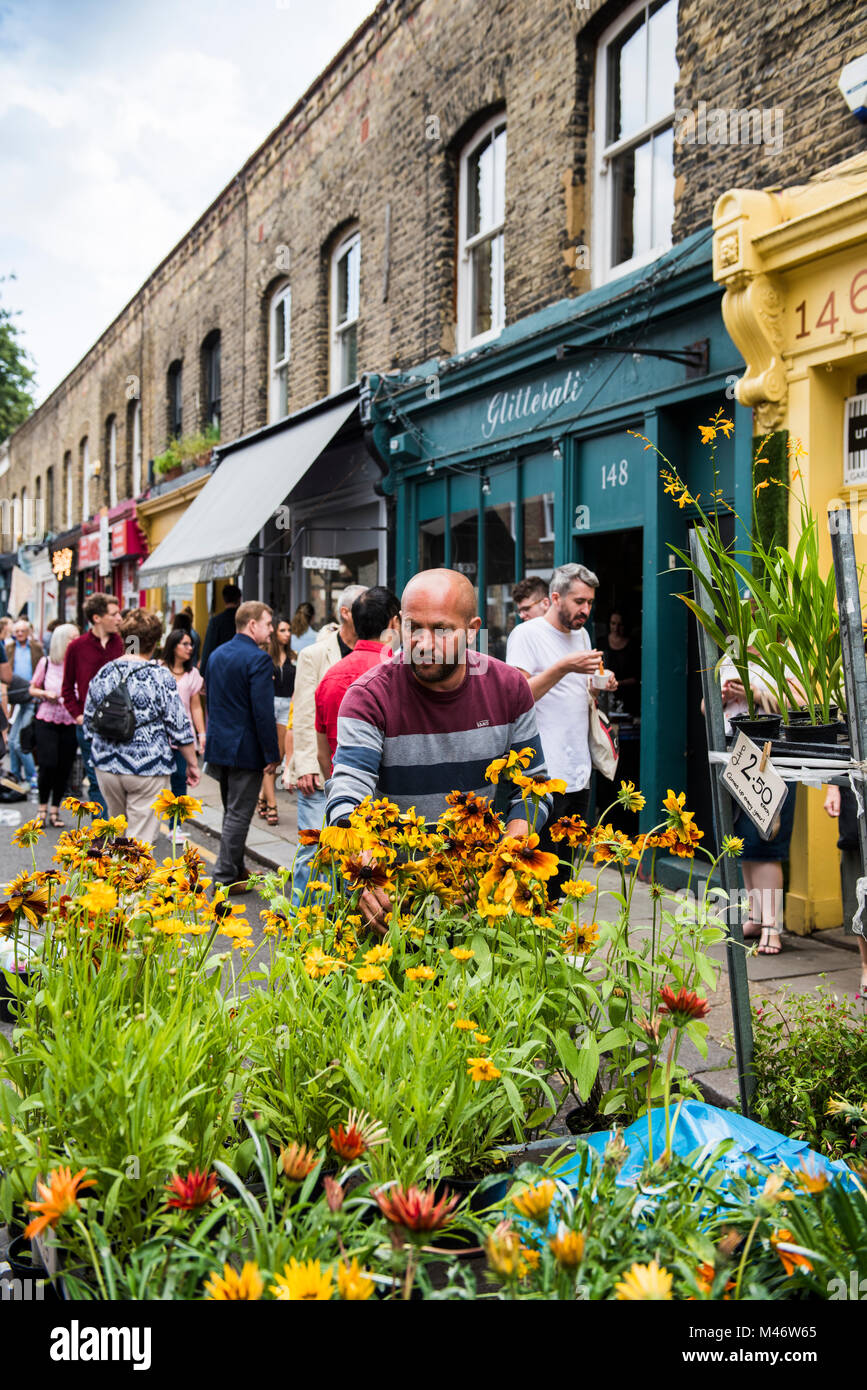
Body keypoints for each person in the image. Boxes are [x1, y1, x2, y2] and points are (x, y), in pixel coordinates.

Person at [326, 569, 552, 929]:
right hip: (394, 903)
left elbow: (535, 788)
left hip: (481, 899)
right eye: (413, 627)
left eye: (442, 629)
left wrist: (502, 861)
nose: (423, 642)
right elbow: (347, 790)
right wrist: (363, 862)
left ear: (473, 629)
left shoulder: (509, 688)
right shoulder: (369, 696)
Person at [506, 563, 616, 894]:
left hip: (578, 772)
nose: (586, 609)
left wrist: (599, 684)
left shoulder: (581, 634)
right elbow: (519, 697)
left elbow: (578, 694)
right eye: (579, 601)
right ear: (555, 597)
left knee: (565, 874)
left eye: (590, 602)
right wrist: (563, 667)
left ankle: (561, 942)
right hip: (540, 774)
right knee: (536, 874)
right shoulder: (526, 635)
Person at [83, 609, 200, 844]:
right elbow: (178, 725)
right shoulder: (160, 676)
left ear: (126, 638)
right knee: (139, 841)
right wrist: (192, 762)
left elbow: (88, 723)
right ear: (156, 641)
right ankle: (132, 879)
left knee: (116, 832)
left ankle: (115, 878)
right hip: (147, 767)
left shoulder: (105, 672)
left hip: (107, 765)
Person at [285, 583, 366, 900]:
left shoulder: (382, 650)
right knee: (313, 849)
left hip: (359, 769)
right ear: (346, 613)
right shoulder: (314, 654)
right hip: (320, 770)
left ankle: (339, 924)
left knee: (353, 855)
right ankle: (300, 922)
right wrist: (304, 765)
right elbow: (304, 711)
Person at [204, 601, 280, 890]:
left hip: (219, 747)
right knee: (238, 814)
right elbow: (263, 712)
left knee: (230, 811)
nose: (270, 630)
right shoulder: (258, 660)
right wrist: (271, 755)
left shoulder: (216, 655)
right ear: (252, 625)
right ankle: (224, 877)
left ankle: (235, 871)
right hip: (245, 750)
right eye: (268, 624)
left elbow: (212, 701)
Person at [315, 586, 401, 776]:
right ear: (394, 624)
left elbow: (323, 755)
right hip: (390, 797)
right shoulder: (400, 674)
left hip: (345, 792)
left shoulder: (329, 677)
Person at [61, 593, 124, 816]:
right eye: (114, 614)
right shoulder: (76, 647)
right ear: (97, 618)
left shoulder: (128, 642)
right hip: (90, 726)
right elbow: (67, 688)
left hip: (123, 725)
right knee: (97, 782)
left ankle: (120, 833)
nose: (119, 618)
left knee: (121, 783)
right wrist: (78, 716)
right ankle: (102, 836)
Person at [29, 623, 80, 826]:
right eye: (72, 638)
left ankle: (54, 810)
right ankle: (42, 808)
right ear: (61, 641)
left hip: (70, 720)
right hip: (46, 720)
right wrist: (44, 694)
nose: (76, 642)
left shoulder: (78, 665)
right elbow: (32, 688)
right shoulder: (47, 663)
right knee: (48, 764)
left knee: (64, 767)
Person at [823, 783, 867, 997]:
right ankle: (866, 966)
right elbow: (841, 747)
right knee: (858, 871)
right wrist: (834, 786)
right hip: (858, 784)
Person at [257, 614, 295, 826]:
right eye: (282, 630)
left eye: (288, 630)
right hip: (269, 703)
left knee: (278, 756)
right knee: (269, 757)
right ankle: (272, 803)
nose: (287, 634)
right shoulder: (264, 657)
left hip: (286, 705)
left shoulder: (293, 657)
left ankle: (262, 797)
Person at [161, 629, 206, 798]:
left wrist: (201, 733)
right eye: (185, 644)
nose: (190, 648)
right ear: (173, 646)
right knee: (157, 782)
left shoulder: (192, 673)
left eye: (191, 644)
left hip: (183, 736)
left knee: (180, 778)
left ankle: (176, 823)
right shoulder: (158, 668)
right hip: (160, 735)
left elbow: (196, 707)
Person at [5, 619, 43, 788]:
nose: (19, 634)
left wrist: (37, 692)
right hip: (14, 696)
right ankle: (14, 776)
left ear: (28, 632)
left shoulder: (36, 648)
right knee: (12, 741)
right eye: (17, 631)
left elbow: (41, 670)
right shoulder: (8, 649)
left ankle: (32, 777)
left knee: (21, 741)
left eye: (22, 631)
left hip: (31, 696)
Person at [602, 611, 641, 716]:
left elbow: (637, 677)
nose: (616, 628)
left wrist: (617, 683)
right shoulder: (601, 642)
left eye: (620, 624)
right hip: (605, 697)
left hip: (629, 698)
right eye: (613, 623)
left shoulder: (633, 645)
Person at [200, 583, 242, 677]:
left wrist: (203, 673)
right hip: (241, 668)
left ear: (224, 600)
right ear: (239, 599)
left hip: (220, 670)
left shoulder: (216, 621)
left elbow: (208, 647)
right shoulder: (244, 621)